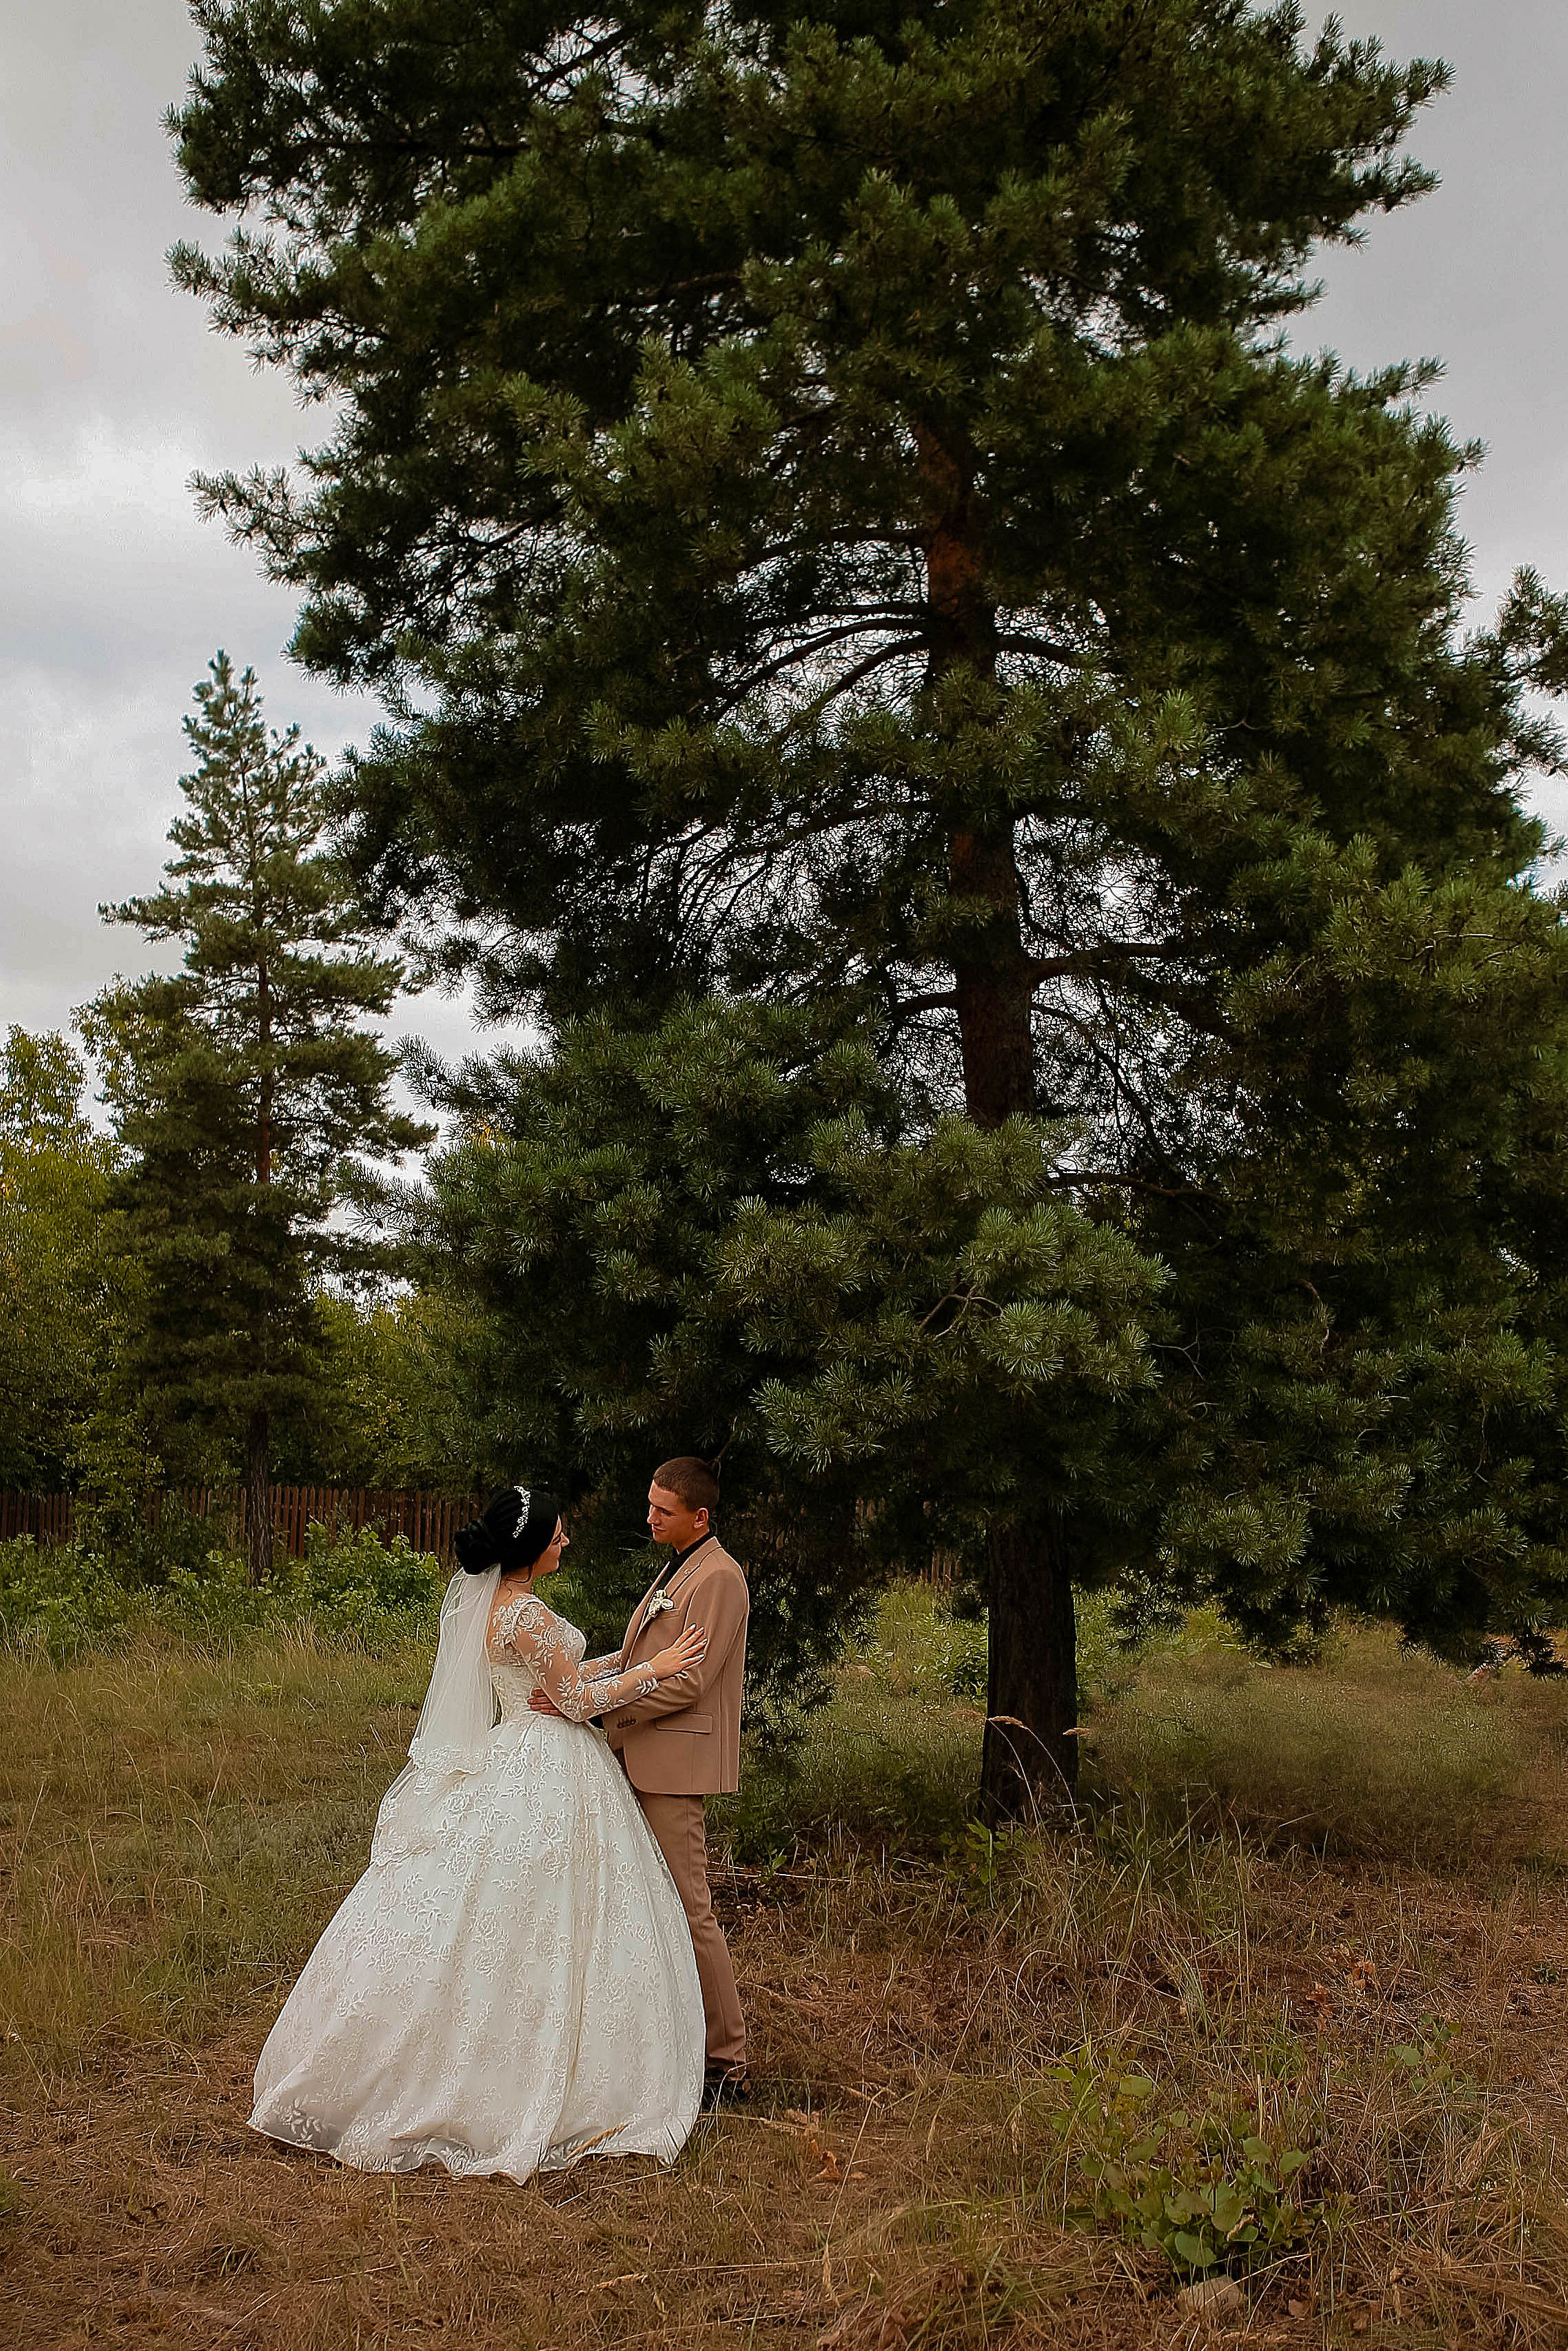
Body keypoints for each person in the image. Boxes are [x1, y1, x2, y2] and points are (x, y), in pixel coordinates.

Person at [249, 1485, 708, 2182]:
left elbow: (560, 1682)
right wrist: (655, 1669)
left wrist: (620, 1660)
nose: (566, 1541)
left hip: (519, 1748)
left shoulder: (499, 1608)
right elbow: (575, 1702)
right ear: (533, 1548)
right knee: (544, 1914)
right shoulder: (525, 1612)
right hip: (545, 1761)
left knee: (508, 1910)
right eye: (559, 1533)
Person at [530, 1455, 750, 2104]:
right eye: (650, 1504)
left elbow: (687, 1679)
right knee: (644, 1902)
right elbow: (638, 1660)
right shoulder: (678, 1564)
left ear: (700, 1515)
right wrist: (573, 1686)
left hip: (674, 1764)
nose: (649, 1517)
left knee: (690, 1908)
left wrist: (595, 1703)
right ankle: (664, 2041)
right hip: (640, 1748)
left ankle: (727, 2060)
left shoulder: (720, 1578)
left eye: (663, 1510)